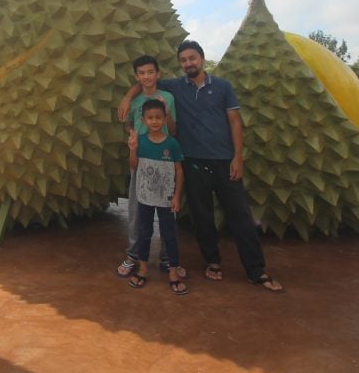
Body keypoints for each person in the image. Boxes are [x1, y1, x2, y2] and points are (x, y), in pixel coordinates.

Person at [118, 40, 284, 293]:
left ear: (202, 58)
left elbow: (235, 122)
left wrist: (238, 157)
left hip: (222, 159)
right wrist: (128, 97)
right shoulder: (176, 86)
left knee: (240, 215)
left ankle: (256, 270)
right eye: (183, 60)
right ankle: (213, 262)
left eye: (192, 58)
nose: (188, 63)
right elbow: (145, 81)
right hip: (193, 160)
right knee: (202, 216)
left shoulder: (222, 87)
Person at [116, 55, 187, 280]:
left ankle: (169, 258)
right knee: (137, 213)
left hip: (165, 161)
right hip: (141, 160)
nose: (146, 77)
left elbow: (174, 130)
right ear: (137, 76)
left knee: (168, 215)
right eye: (142, 73)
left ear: (158, 74)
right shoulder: (134, 101)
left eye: (150, 72)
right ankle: (133, 255)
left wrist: (167, 111)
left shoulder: (167, 97)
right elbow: (128, 125)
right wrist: (132, 136)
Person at [125, 98, 187, 295]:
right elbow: (134, 166)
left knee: (169, 235)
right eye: (150, 118)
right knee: (144, 233)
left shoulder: (172, 143)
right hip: (144, 197)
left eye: (158, 118)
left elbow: (179, 171)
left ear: (164, 119)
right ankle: (143, 269)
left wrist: (177, 197)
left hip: (166, 198)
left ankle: (173, 273)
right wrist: (133, 150)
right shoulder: (141, 141)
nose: (154, 121)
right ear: (143, 120)